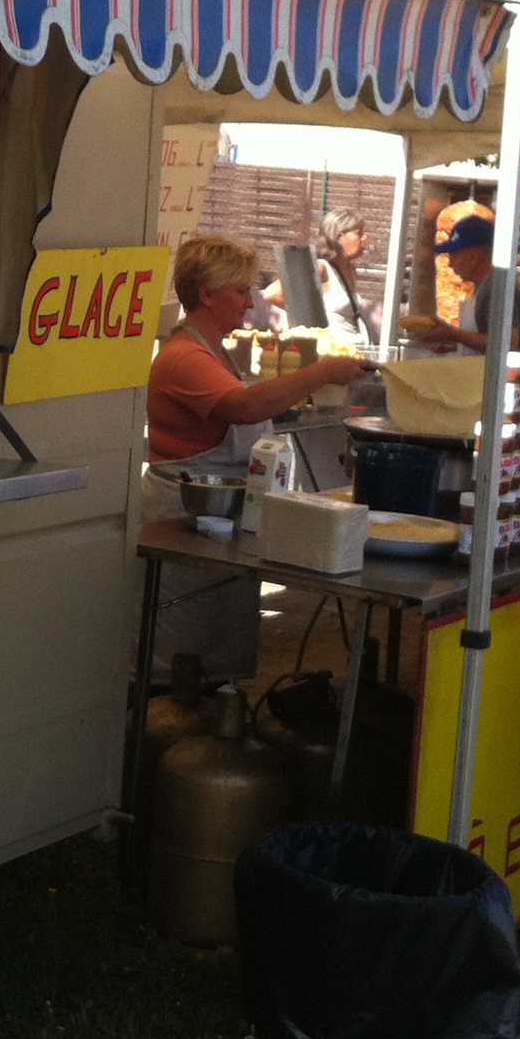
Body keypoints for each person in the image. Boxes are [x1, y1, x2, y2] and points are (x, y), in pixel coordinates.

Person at [146, 235, 373, 683]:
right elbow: (243, 408)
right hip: (184, 520)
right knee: (176, 662)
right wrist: (323, 370)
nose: (250, 302)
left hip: (217, 522)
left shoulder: (217, 352)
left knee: (212, 657)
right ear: (206, 294)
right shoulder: (184, 356)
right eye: (239, 290)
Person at [411, 215, 520, 357]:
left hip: (500, 378)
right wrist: (451, 343)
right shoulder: (484, 287)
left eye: (453, 255)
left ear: (473, 257)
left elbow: (507, 344)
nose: (450, 264)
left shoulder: (496, 288)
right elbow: (485, 338)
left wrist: (453, 334)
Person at [260, 208, 380, 341]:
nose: (365, 238)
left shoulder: (350, 270)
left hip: (353, 348)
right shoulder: (321, 267)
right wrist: (311, 320)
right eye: (359, 233)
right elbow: (271, 293)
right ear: (339, 237)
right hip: (331, 351)